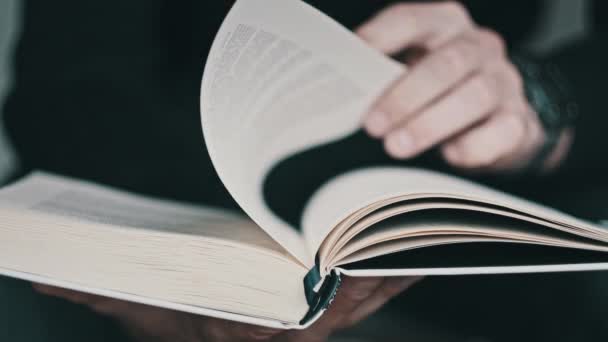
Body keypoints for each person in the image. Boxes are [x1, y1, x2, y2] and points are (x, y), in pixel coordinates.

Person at [2, 1, 607, 341]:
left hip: (446, 206)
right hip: (168, 188)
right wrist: (201, 285)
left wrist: (541, 102)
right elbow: (68, 83)